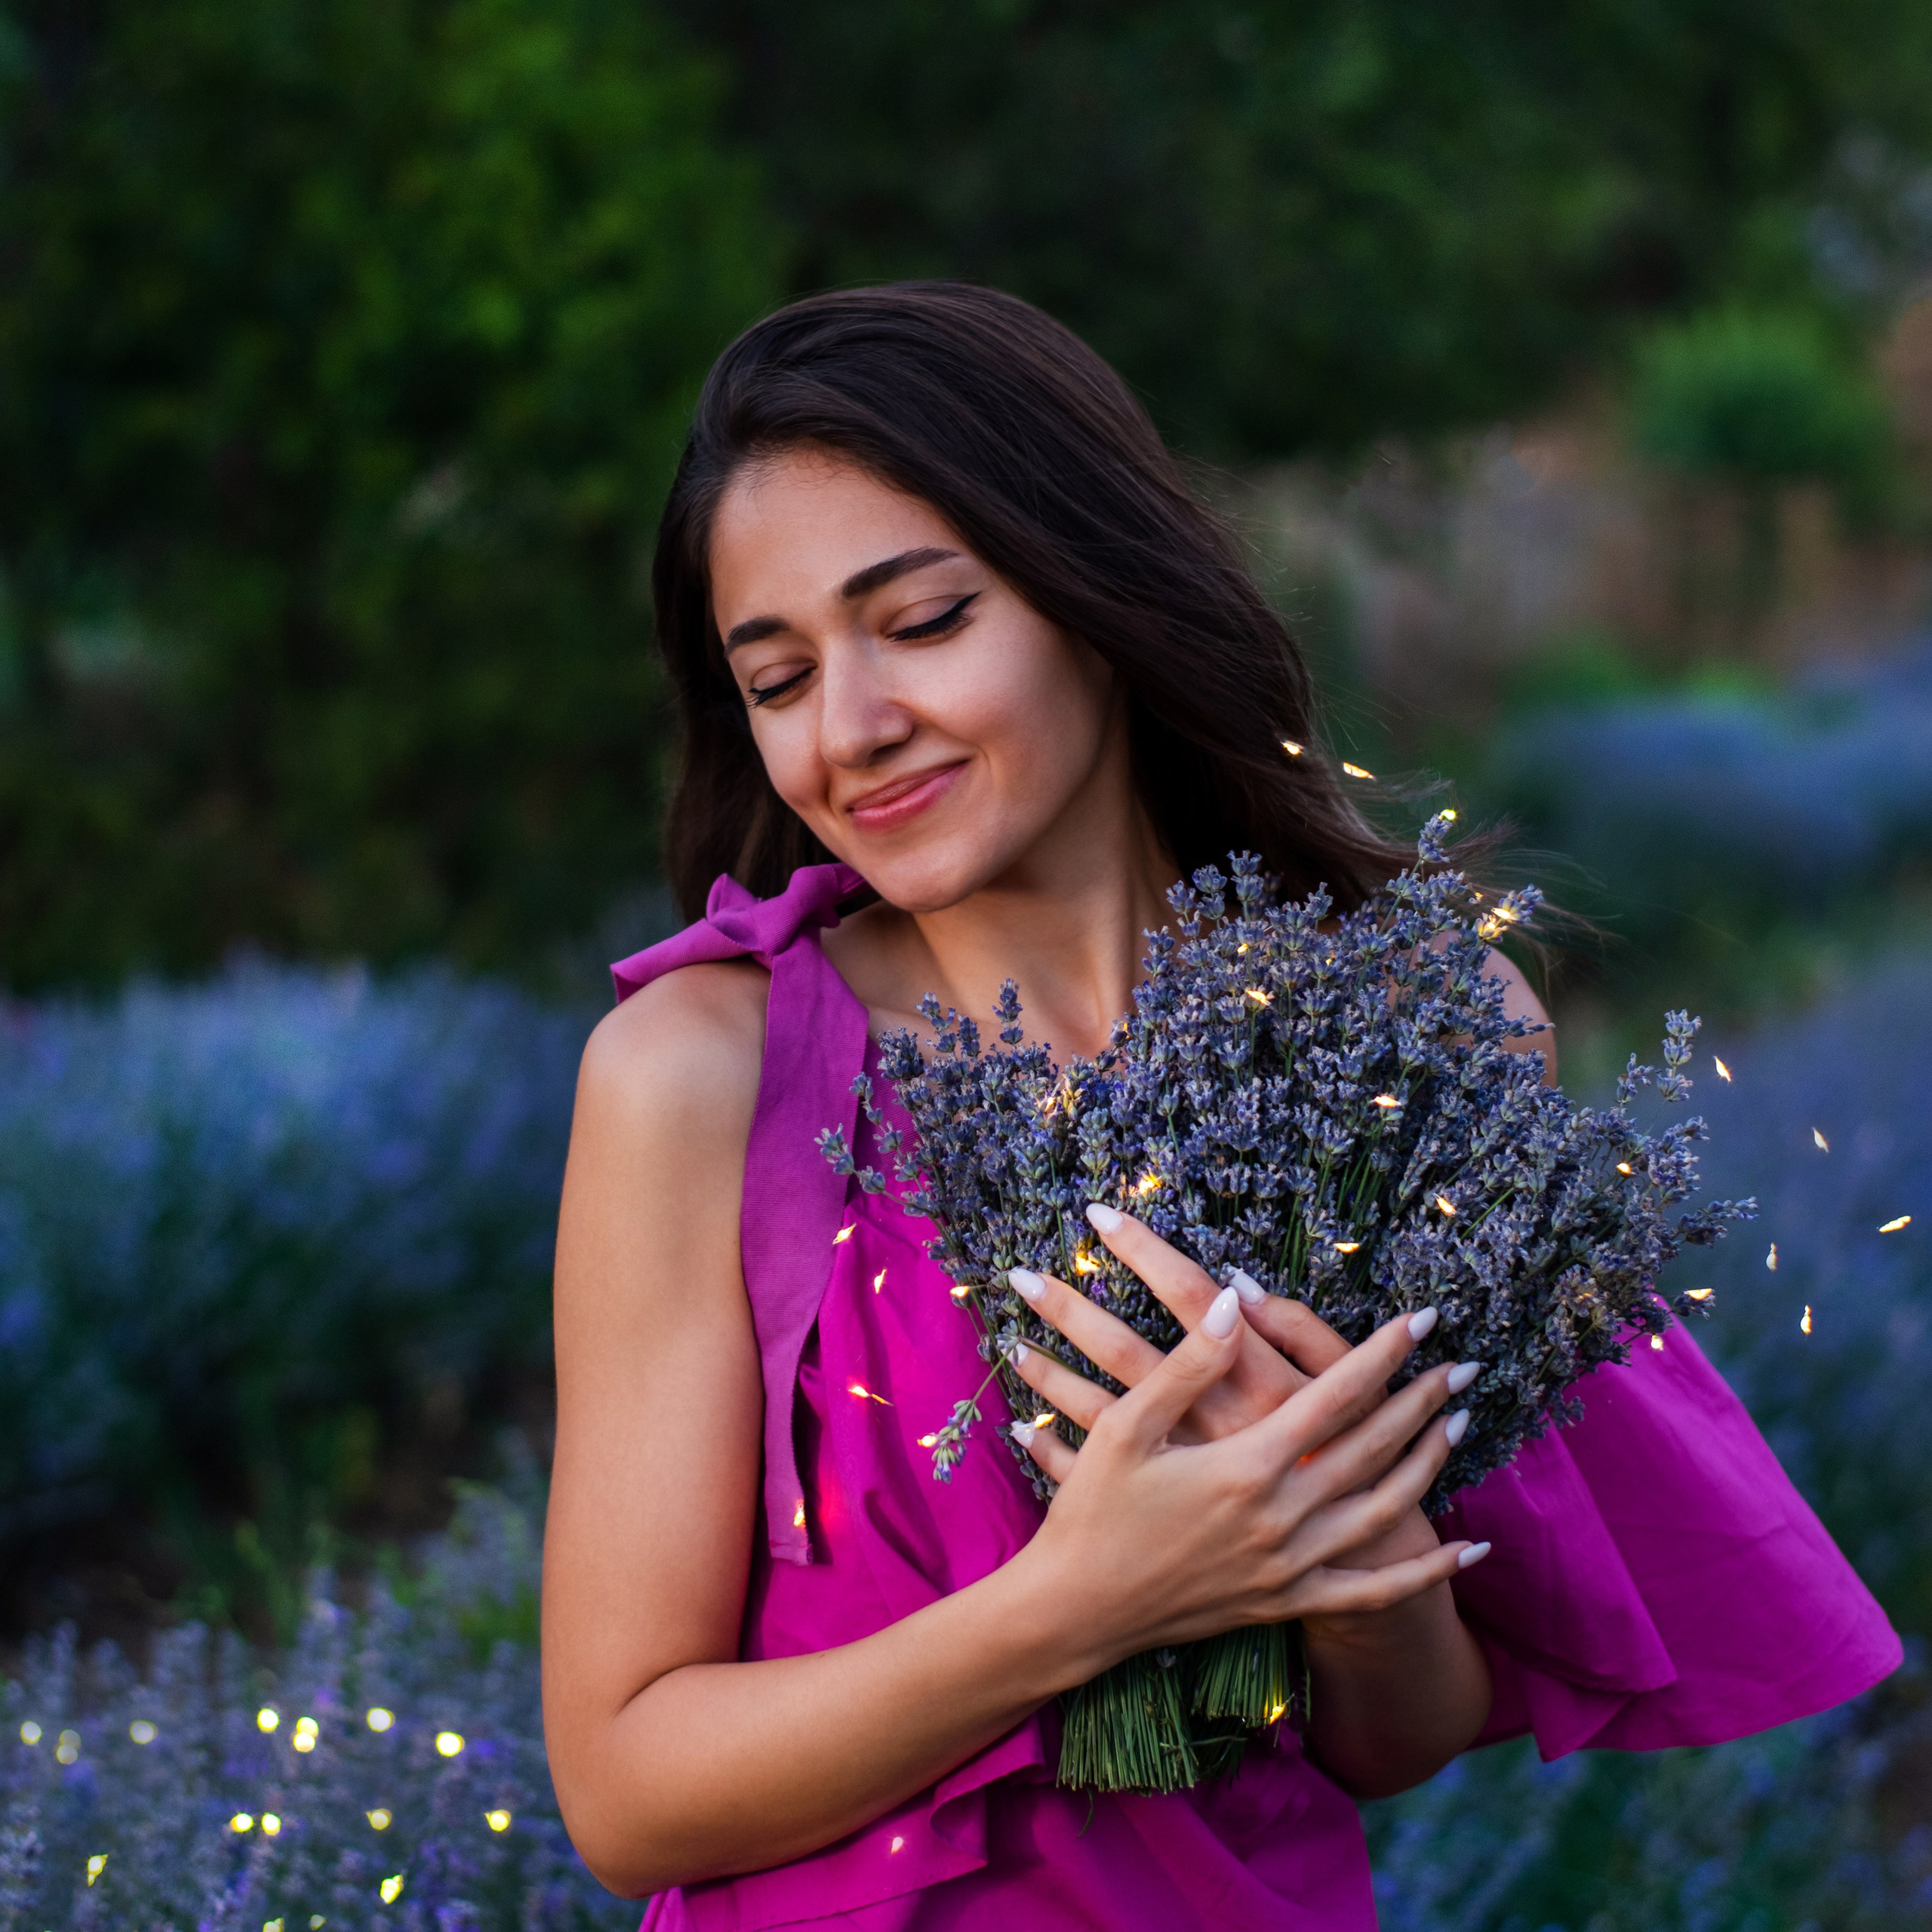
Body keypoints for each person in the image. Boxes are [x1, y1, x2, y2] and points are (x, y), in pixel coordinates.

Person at [541, 284, 1899, 1929]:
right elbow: (624, 1787)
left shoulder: (1419, 1032)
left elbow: (1390, 1737)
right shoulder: (707, 1073)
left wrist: (1331, 1520)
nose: (850, 728)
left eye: (921, 621)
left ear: (1090, 587)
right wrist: (1083, 1602)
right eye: (775, 677)